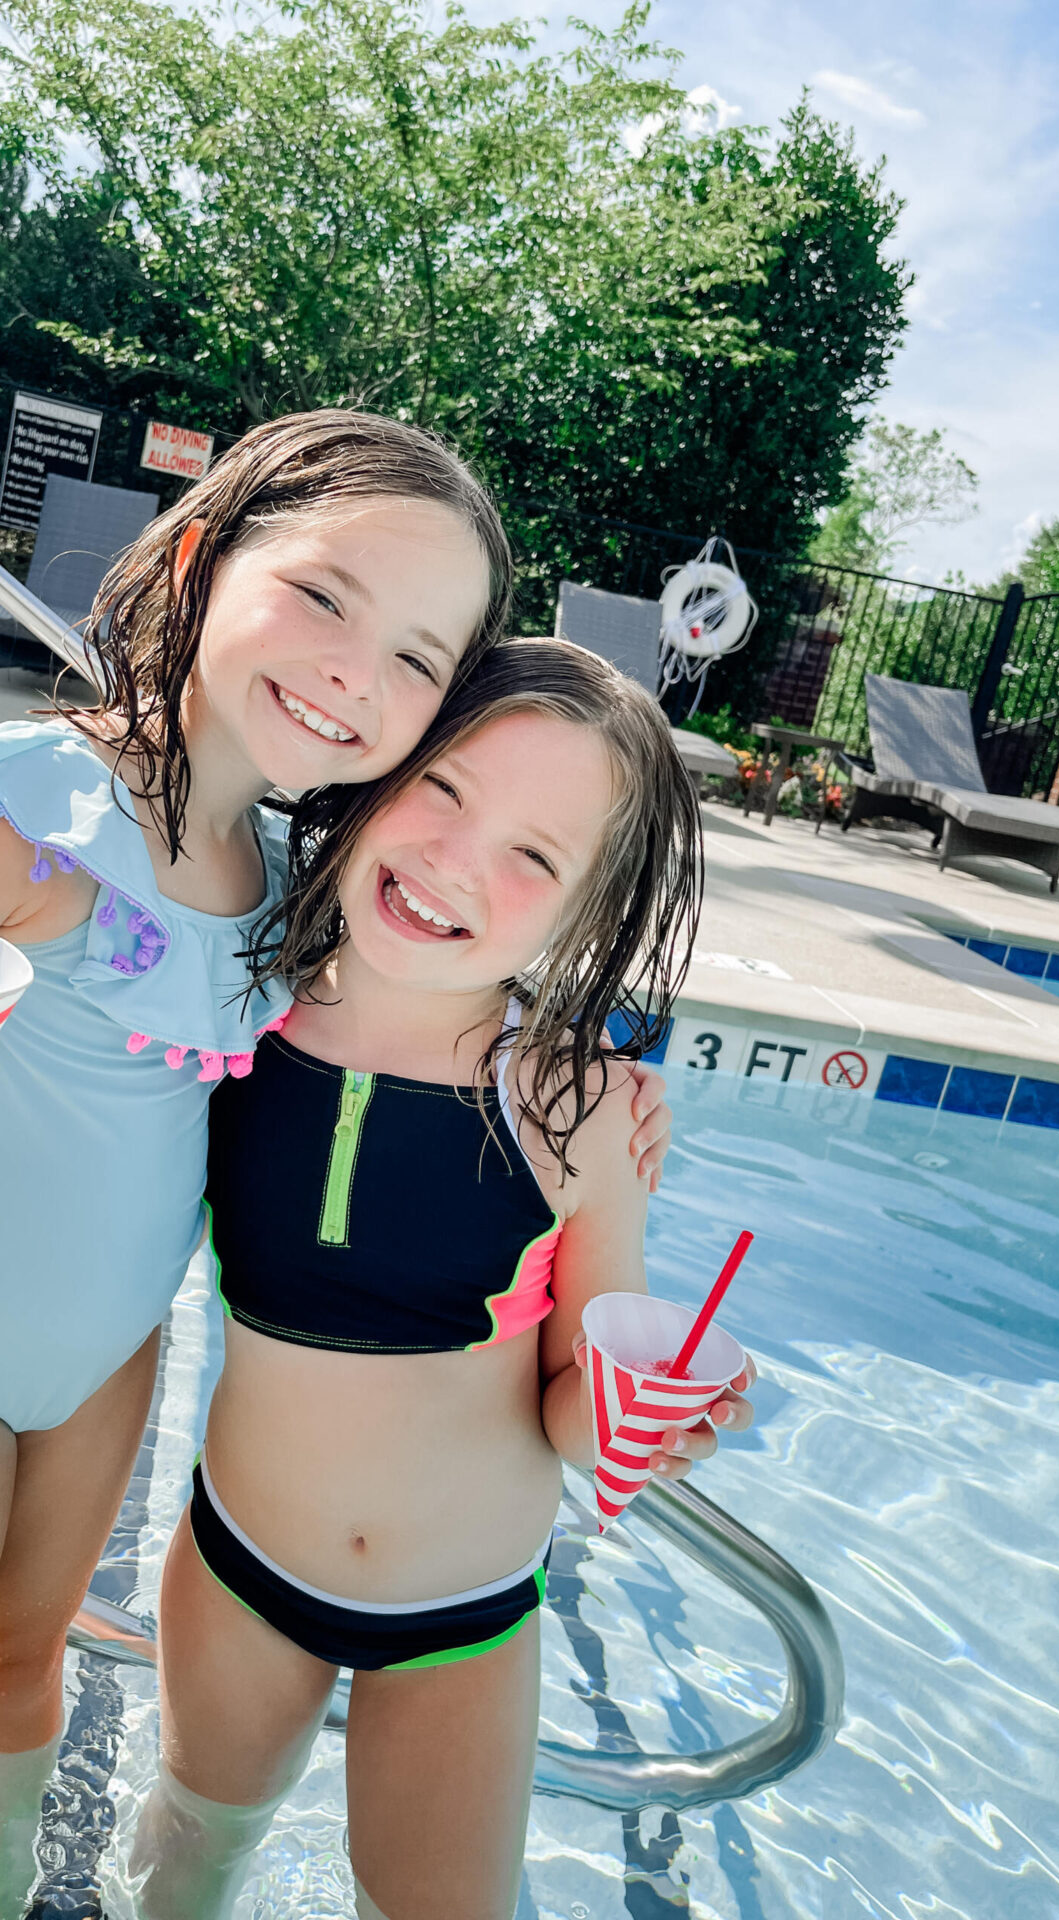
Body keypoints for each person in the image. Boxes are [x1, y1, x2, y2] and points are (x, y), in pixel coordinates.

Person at [0, 413, 674, 1918]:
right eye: (324, 597)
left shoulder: (300, 891)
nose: (358, 672)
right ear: (195, 559)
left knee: (22, 1667)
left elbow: (434, 996)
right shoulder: (22, 814)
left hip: (106, 1364)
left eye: (420, 659)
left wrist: (586, 1073)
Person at [129, 639, 756, 1920]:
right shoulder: (236, 1010)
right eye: (445, 790)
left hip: (463, 1620)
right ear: (374, 771)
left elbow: (579, 1406)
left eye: (538, 856)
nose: (461, 862)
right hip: (245, 1568)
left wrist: (656, 1418)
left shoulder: (575, 1108)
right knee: (190, 1855)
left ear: (589, 914)